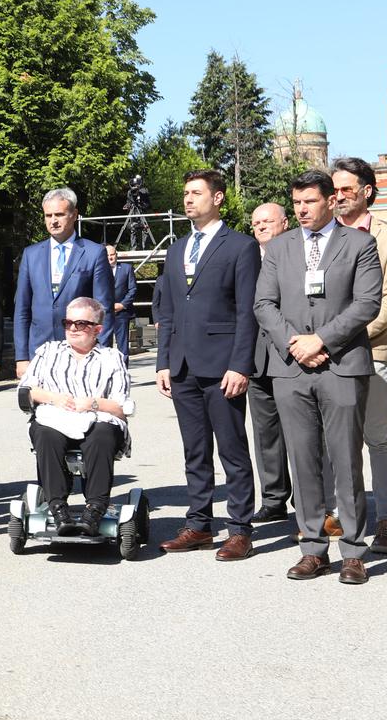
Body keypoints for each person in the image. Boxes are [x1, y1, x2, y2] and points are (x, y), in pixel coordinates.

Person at [255, 169, 382, 585]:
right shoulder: (279, 248)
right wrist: (295, 343)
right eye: (296, 203)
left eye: (309, 201)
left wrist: (321, 340)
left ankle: (353, 551)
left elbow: (367, 304)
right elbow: (264, 304)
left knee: (346, 459)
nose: (302, 209)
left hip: (342, 366)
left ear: (330, 201)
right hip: (290, 369)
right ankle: (312, 547)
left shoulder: (360, 244)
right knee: (303, 458)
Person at [153, 169, 261, 561]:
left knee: (232, 450)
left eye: (196, 193)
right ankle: (199, 524)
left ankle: (239, 530)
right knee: (194, 450)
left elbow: (248, 312)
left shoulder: (241, 247)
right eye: (185, 193)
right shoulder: (176, 248)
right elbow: (166, 310)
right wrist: (164, 360)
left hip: (222, 367)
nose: (187, 199)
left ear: (217, 198)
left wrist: (240, 365)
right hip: (182, 366)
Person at [332, 156, 387, 555]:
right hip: (325, 356)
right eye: (335, 189)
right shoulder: (320, 235)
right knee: (332, 440)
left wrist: (345, 334)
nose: (339, 196)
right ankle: (341, 515)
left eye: (347, 189)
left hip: (371, 351)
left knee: (376, 438)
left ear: (367, 191)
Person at [19, 297, 135, 531]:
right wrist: (55, 398)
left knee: (102, 435)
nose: (72, 328)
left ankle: (94, 509)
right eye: (68, 322)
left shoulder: (112, 358)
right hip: (55, 418)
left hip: (98, 419)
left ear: (97, 329)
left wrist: (93, 403)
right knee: (46, 434)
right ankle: (58, 508)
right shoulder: (48, 351)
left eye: (81, 324)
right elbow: (27, 389)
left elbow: (122, 408)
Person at [13, 188, 114, 381]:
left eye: (59, 214)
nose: (53, 220)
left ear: (74, 215)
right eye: (48, 215)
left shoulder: (94, 253)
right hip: (39, 353)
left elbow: (104, 309)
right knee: (41, 410)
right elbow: (22, 309)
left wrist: (101, 353)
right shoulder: (31, 254)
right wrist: (22, 357)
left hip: (81, 353)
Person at [247, 203, 295, 524]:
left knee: (301, 433)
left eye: (268, 221)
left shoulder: (297, 254)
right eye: (256, 223)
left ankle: (310, 501)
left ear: (284, 223)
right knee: (265, 434)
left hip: (291, 356)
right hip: (255, 360)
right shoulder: (246, 258)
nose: (261, 227)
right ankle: (274, 499)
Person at [105, 244, 136, 359]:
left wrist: (122, 304)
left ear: (116, 255)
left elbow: (132, 289)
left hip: (122, 314)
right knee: (104, 346)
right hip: (105, 313)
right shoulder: (99, 269)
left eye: (112, 254)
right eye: (107, 255)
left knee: (123, 348)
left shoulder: (126, 268)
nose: (110, 257)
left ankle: (123, 373)